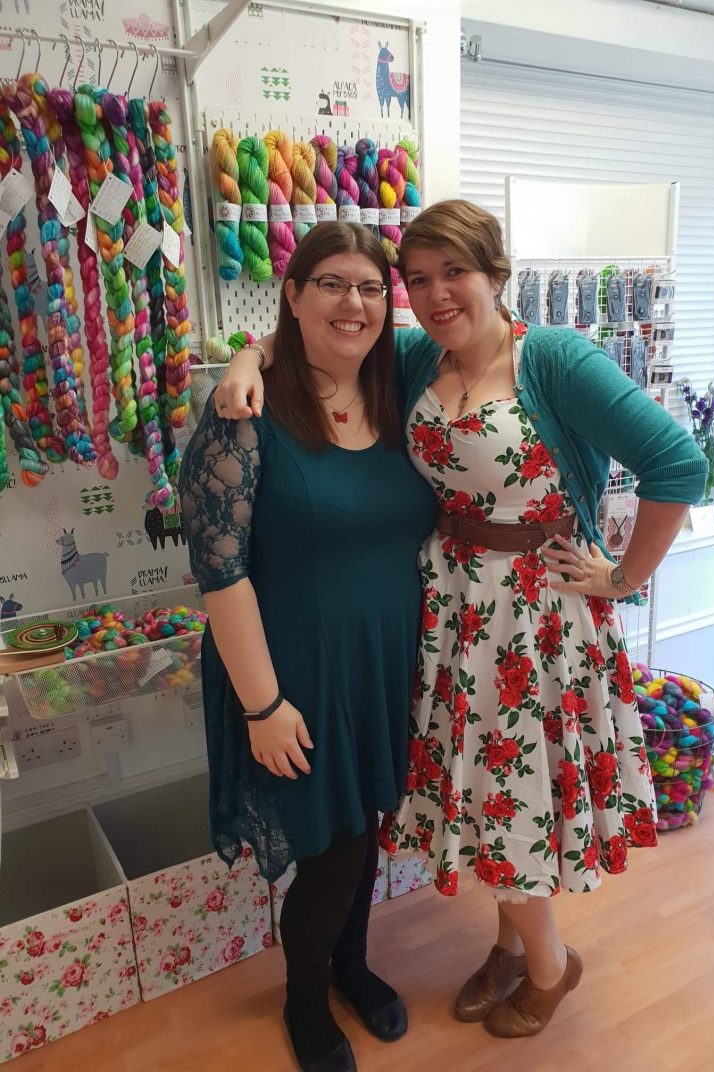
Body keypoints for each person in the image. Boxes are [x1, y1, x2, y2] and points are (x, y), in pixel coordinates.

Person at [212, 199, 707, 1041]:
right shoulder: (413, 356)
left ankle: (550, 967)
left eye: (456, 273)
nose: (436, 294)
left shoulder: (552, 358)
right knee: (486, 793)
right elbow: (326, 328)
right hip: (453, 611)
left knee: (514, 795)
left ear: (496, 274)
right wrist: (244, 357)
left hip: (538, 618)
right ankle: (513, 950)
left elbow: (679, 464)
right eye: (418, 279)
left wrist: (622, 577)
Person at [178, 221, 437, 1072]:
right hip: (292, 673)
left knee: (363, 824)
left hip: (381, 665)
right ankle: (304, 999)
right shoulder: (242, 420)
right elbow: (220, 574)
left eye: (370, 287)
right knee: (335, 848)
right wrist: (263, 703)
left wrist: (251, 347)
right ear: (292, 295)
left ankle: (351, 966)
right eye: (330, 283)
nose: (353, 303)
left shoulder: (399, 386)